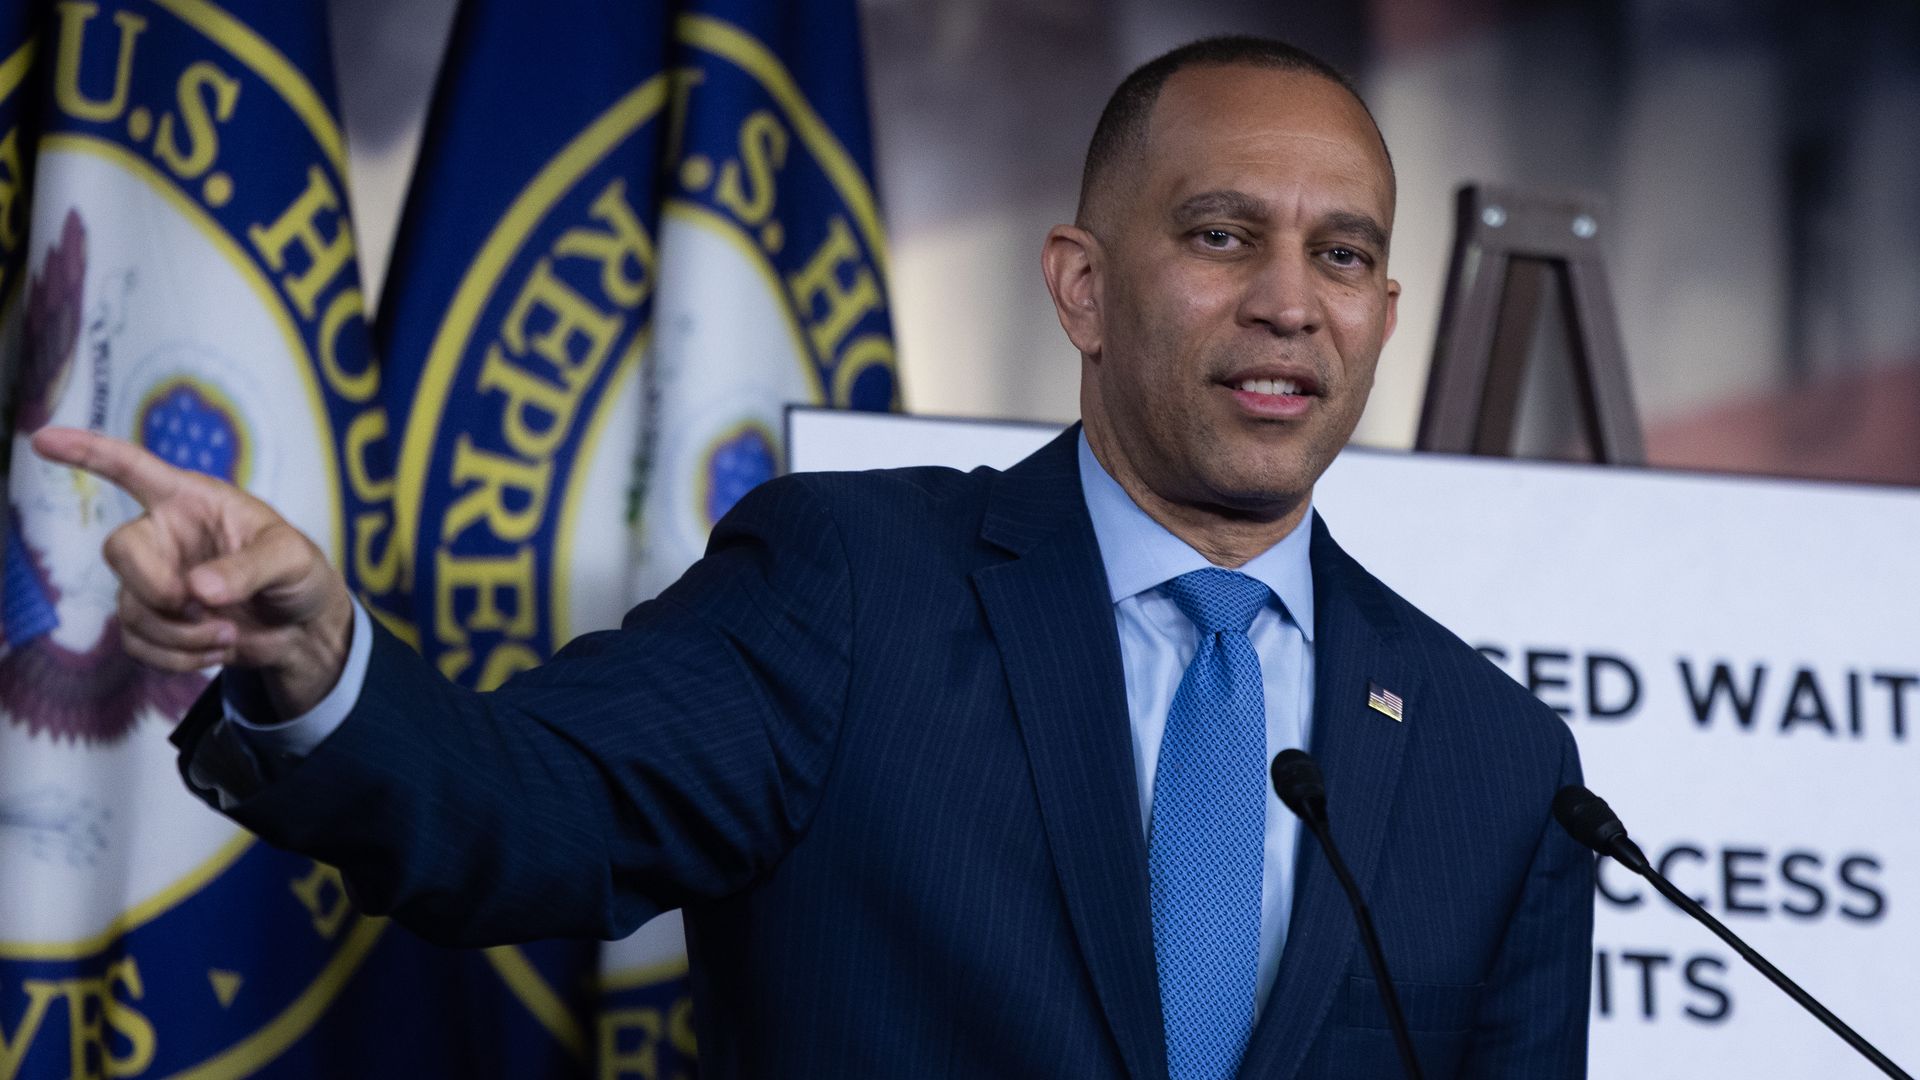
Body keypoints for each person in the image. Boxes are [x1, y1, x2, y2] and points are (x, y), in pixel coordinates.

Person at [35, 36, 1593, 1080]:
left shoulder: (1494, 761)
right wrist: (317, 668)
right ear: (1083, 286)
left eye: (1343, 255)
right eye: (1219, 234)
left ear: (1387, 315)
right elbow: (530, 810)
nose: (1287, 301)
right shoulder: (858, 584)